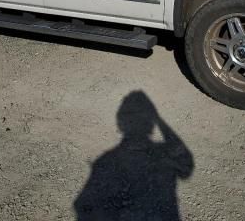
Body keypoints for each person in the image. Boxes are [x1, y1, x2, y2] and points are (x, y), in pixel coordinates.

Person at [74, 91, 194, 220]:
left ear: (120, 124)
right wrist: (158, 119)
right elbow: (186, 165)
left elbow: (82, 205)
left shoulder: (106, 161)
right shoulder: (161, 153)